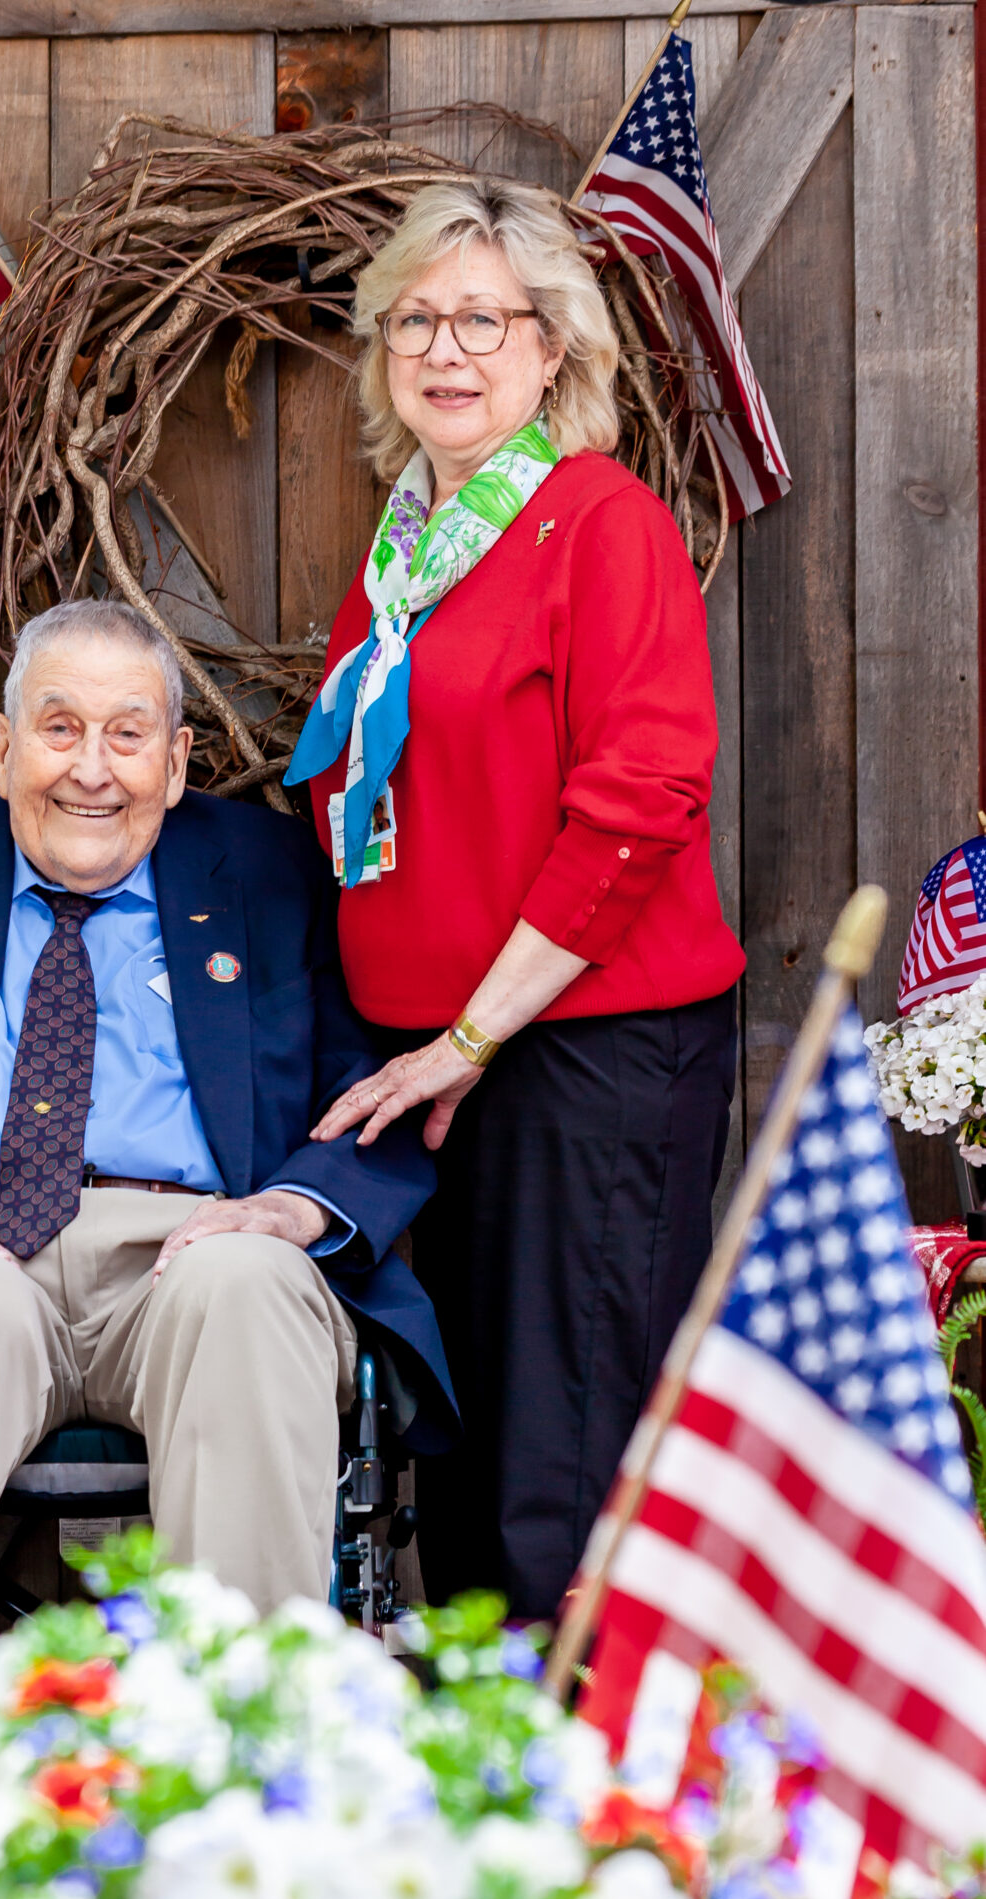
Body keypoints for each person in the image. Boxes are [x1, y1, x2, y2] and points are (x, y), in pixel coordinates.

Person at [0, 598, 452, 1777]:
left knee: (250, 1282)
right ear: (4, 747)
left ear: (175, 761)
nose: (92, 770)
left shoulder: (266, 874)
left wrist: (290, 1208)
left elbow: (373, 1093)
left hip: (191, 1255)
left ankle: (245, 1751)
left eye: (127, 734)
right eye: (59, 729)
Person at [289, 175, 744, 1624]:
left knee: (564, 1463)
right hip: (445, 1065)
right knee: (476, 1453)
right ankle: (498, 1798)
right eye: (414, 319)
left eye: (482, 319)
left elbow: (642, 801)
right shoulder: (409, 555)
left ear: (555, 350)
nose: (445, 350)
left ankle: (589, 1818)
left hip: (580, 1054)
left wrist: (469, 1037)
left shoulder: (594, 524)